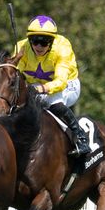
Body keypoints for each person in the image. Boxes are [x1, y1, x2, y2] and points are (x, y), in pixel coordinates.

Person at [14, 15, 91, 156]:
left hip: (68, 85)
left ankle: (81, 138)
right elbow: (16, 74)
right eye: (35, 41)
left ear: (52, 41)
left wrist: (41, 89)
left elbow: (60, 82)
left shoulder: (63, 47)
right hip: (36, 86)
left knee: (53, 100)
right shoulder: (21, 47)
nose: (38, 46)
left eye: (44, 42)